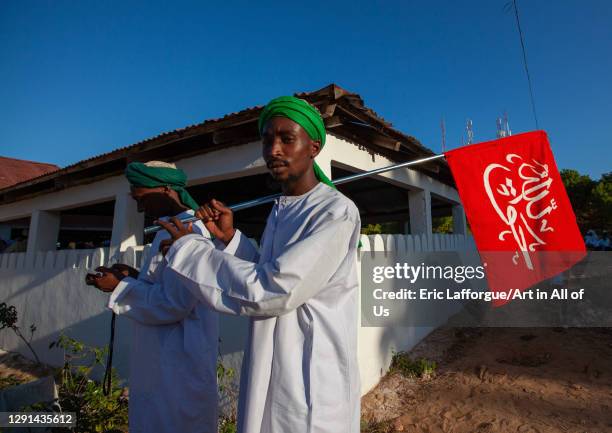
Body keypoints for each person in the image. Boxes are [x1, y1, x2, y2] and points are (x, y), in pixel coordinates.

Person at [158, 96, 362, 433]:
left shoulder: (334, 211)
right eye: (267, 140)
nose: (274, 150)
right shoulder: (282, 208)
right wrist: (231, 240)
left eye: (286, 139)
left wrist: (191, 251)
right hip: (270, 362)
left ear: (313, 147)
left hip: (308, 375)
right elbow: (268, 269)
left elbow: (275, 289)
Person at [86, 161, 219, 433]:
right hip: (159, 361)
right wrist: (131, 277)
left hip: (179, 363)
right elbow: (163, 285)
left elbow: (175, 303)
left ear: (167, 190)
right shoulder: (166, 230)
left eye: (142, 199)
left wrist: (120, 287)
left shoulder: (191, 231)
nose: (139, 208)